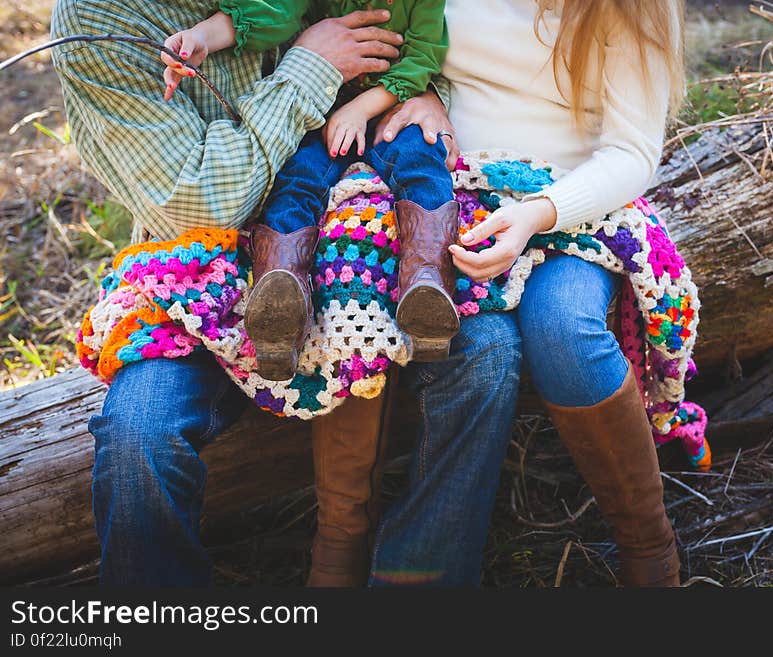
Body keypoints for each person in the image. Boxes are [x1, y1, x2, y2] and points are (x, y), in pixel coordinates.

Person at [51, 0, 522, 587]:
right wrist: (309, 65)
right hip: (200, 279)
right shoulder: (103, 18)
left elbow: (424, 40)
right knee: (137, 436)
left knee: (488, 354)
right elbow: (203, 203)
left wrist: (427, 96)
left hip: (362, 238)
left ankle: (417, 588)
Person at [369, 0, 687, 586]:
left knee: (562, 327)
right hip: (453, 193)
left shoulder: (631, 9)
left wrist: (539, 214)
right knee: (480, 345)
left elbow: (632, 152)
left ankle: (650, 551)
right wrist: (421, 90)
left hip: (572, 207)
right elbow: (407, 41)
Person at [161, 1, 459, 380]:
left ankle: (428, 283)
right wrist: (203, 37)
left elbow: (423, 57)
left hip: (390, 107)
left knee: (421, 161)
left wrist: (362, 109)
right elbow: (274, 12)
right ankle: (279, 302)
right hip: (322, 110)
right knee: (297, 177)